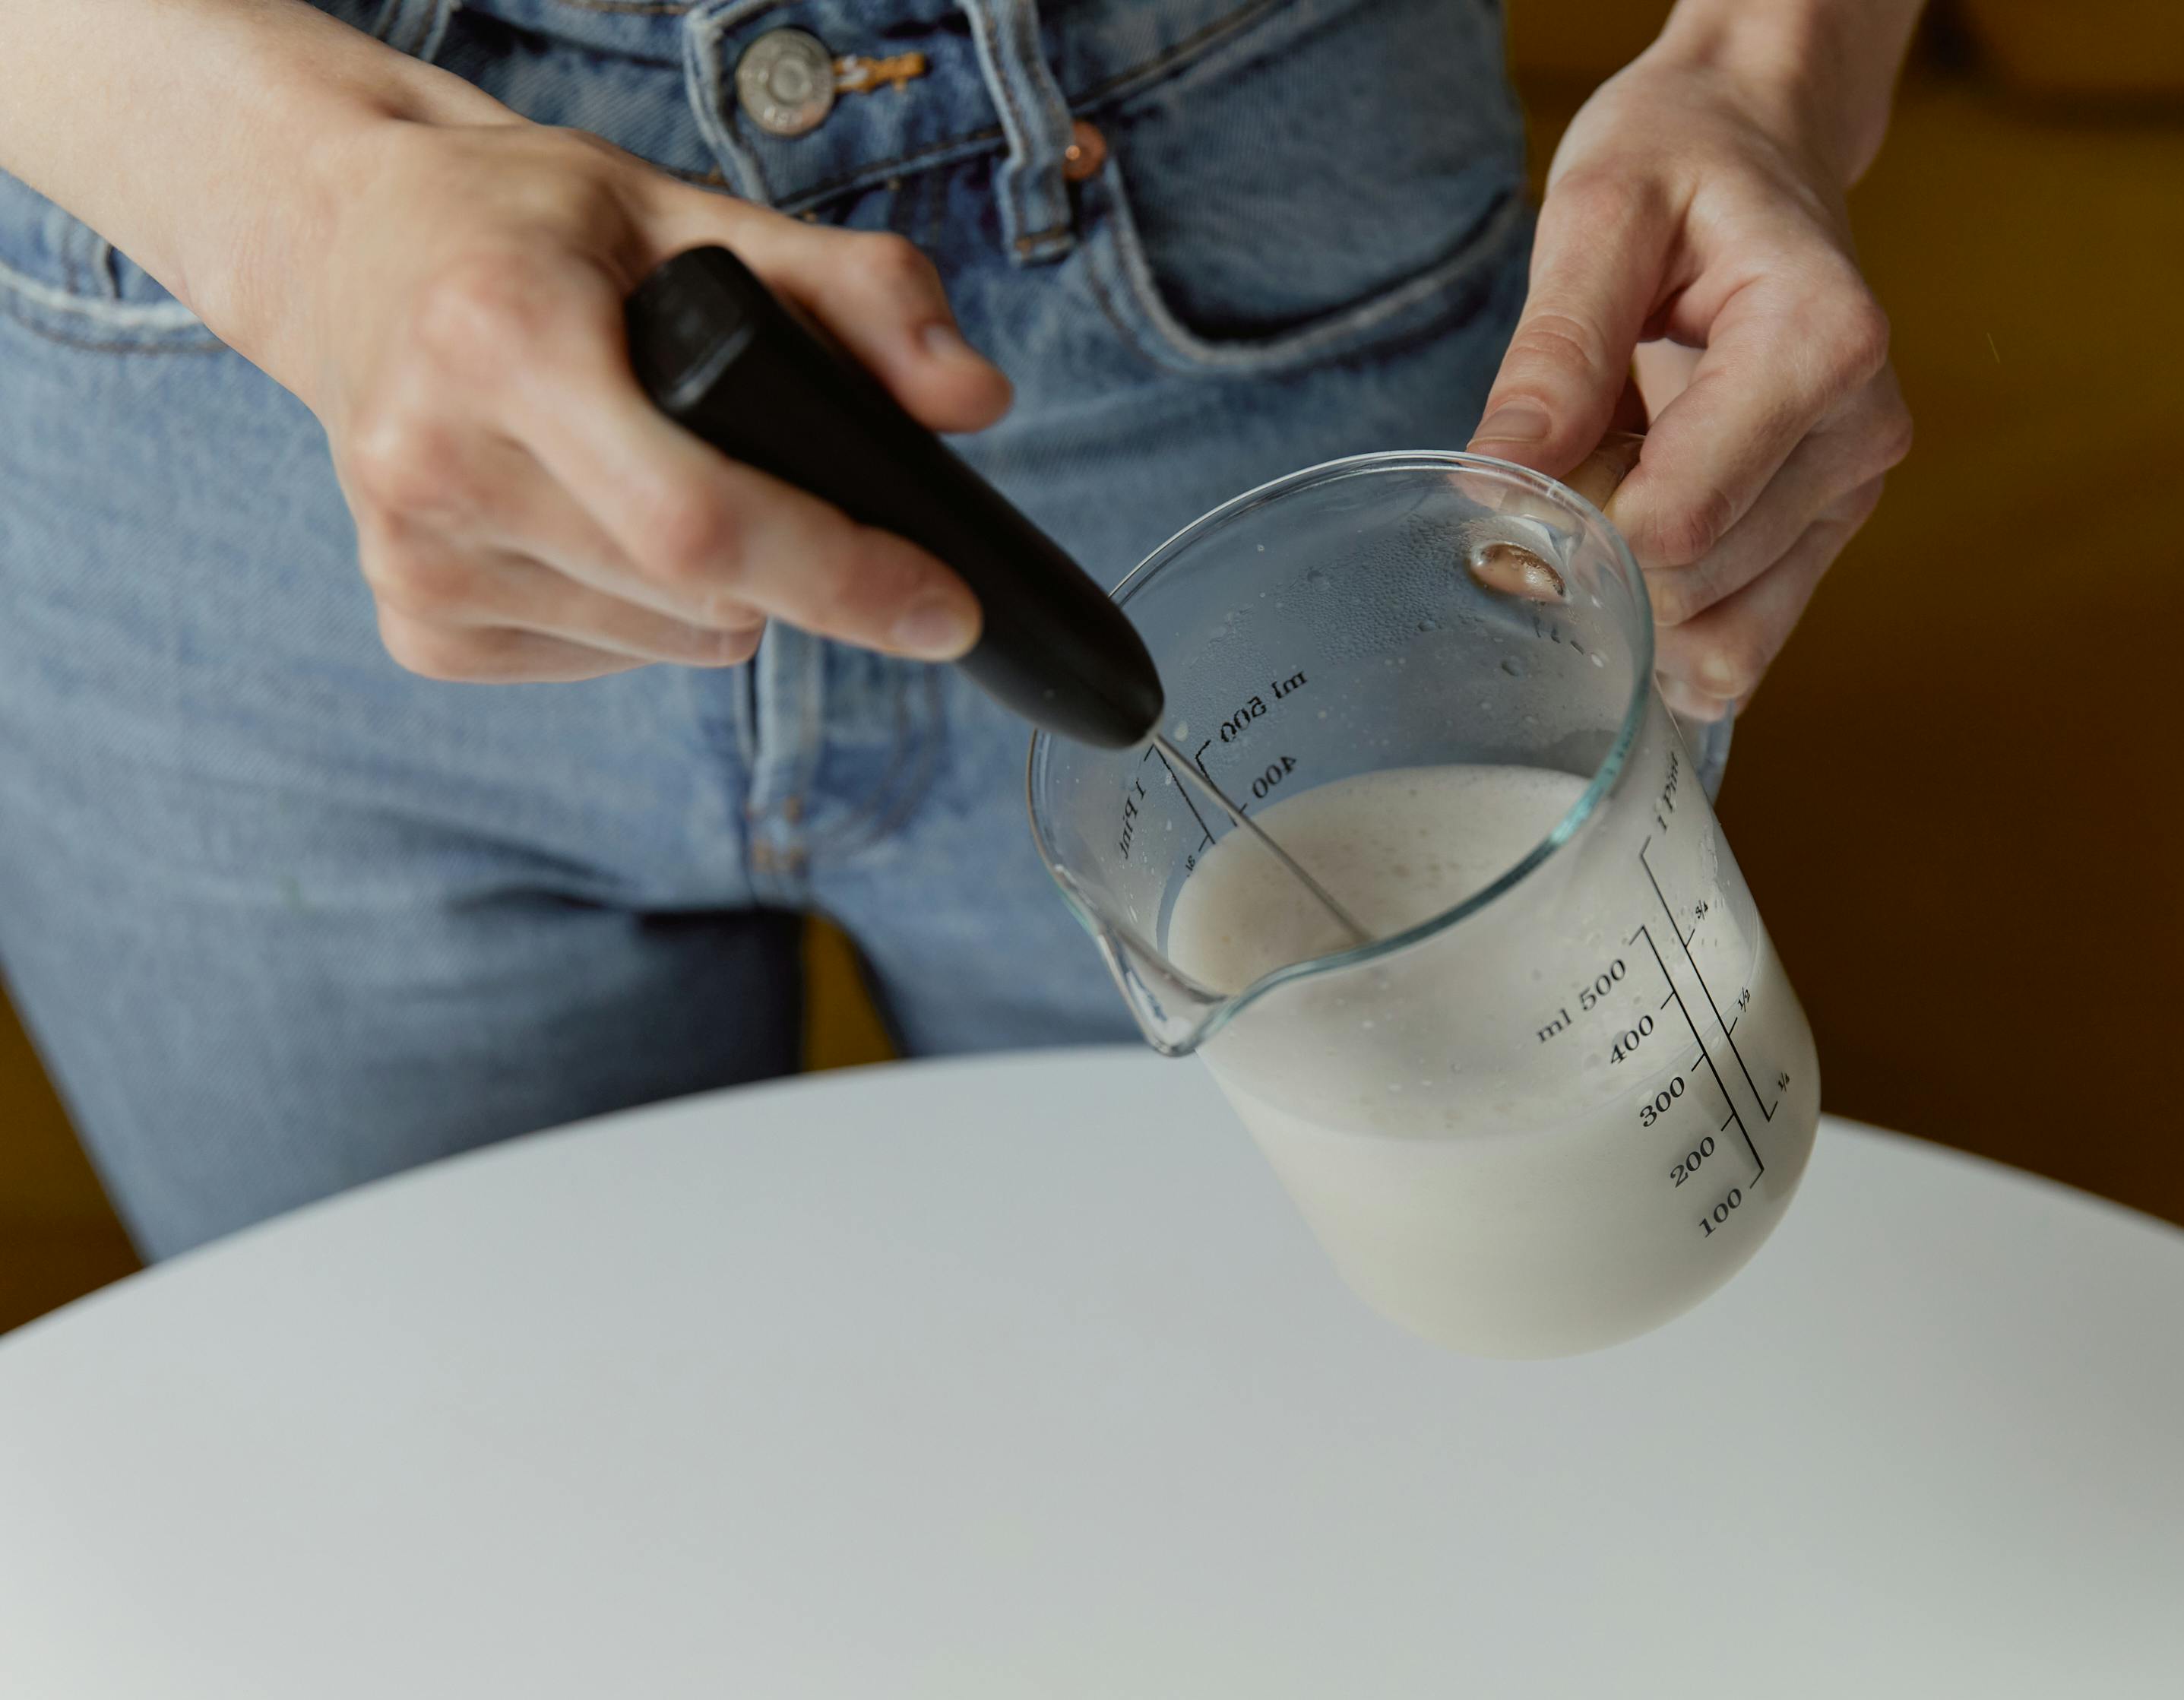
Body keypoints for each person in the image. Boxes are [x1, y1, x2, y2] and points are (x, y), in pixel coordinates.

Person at [0, 0, 1916, 1258]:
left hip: (1241, 270)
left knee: (1319, 1474)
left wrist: (1769, 71)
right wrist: (300, 199)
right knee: (471, 1528)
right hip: (219, 342)